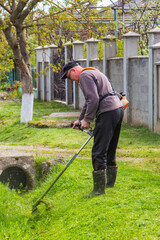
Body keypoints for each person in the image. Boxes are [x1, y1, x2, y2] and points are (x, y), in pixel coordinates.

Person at [61, 60, 124, 195]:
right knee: (110, 148)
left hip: (107, 112)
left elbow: (93, 99)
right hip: (117, 109)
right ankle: (109, 184)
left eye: (69, 76)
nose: (70, 80)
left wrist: (87, 121)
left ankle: (99, 190)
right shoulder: (93, 71)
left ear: (73, 70)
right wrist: (80, 119)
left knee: (98, 151)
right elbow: (89, 101)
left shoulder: (84, 76)